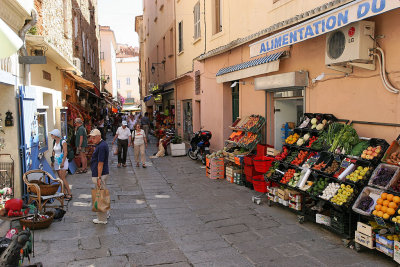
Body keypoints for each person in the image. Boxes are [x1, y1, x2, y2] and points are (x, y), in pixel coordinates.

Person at [89, 129, 110, 224]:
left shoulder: (101, 146)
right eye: (91, 137)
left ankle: (102, 219)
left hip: (100, 174)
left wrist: (98, 177)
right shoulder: (102, 144)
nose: (91, 139)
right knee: (103, 194)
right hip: (102, 173)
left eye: (93, 137)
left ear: (99, 136)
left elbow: (100, 163)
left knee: (100, 195)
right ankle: (106, 213)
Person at [50, 129, 72, 200]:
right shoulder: (54, 141)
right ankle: (64, 193)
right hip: (56, 161)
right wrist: (53, 161)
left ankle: (69, 193)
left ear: (56, 135)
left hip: (63, 161)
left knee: (63, 178)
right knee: (60, 179)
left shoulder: (63, 142)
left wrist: (62, 162)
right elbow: (53, 151)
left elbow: (65, 152)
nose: (51, 135)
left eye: (52, 134)